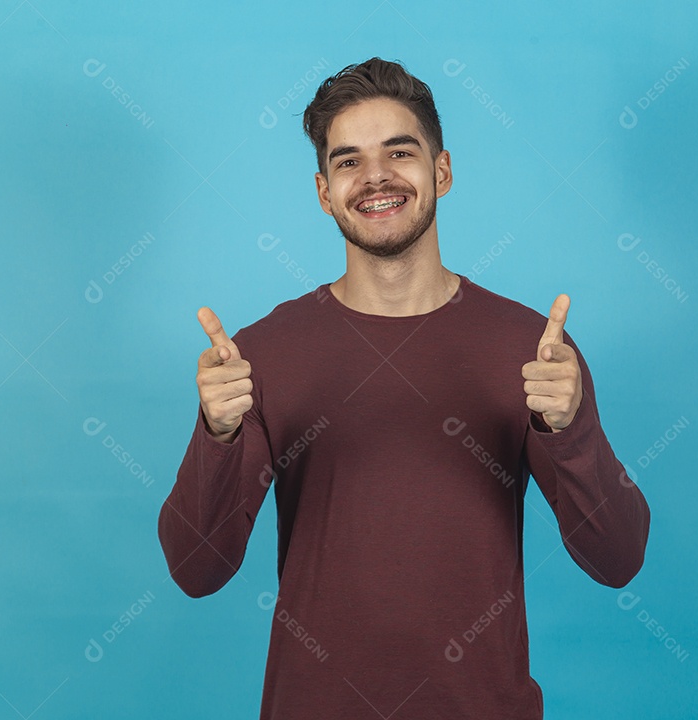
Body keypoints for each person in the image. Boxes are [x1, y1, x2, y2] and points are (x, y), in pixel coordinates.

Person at [158, 57, 651, 719]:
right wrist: (215, 436)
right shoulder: (262, 356)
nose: (376, 178)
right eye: (348, 161)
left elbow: (618, 558)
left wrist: (572, 431)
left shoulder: (533, 352)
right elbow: (198, 569)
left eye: (399, 151)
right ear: (323, 191)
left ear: (441, 172)